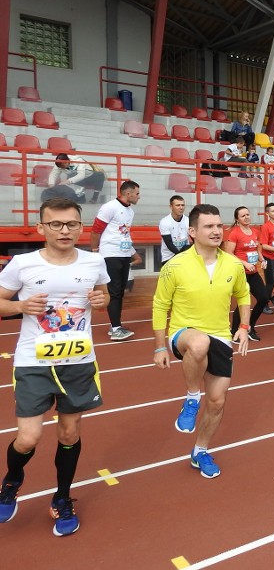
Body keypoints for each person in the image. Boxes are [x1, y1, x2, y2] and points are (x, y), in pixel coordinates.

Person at [0, 198, 109, 536]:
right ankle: (12, 481)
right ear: (41, 227)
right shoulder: (23, 263)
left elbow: (102, 295)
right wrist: (19, 305)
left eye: (71, 224)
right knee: (29, 437)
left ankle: (62, 498)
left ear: (80, 226)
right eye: (56, 224)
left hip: (78, 362)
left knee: (69, 433)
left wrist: (102, 300)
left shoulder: (94, 261)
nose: (65, 231)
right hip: (34, 362)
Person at [152, 204, 250, 478]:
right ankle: (192, 398)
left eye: (219, 225)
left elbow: (243, 295)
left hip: (220, 335)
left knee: (217, 402)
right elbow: (160, 306)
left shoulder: (233, 264)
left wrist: (243, 326)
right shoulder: (175, 266)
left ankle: (200, 451)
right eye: (209, 226)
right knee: (198, 344)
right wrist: (160, 346)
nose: (217, 231)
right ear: (192, 232)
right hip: (185, 333)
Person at [90, 180, 139, 341]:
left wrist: (133, 253)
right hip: (110, 254)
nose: (139, 197)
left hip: (124, 254)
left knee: (120, 291)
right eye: (137, 193)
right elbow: (96, 230)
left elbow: (125, 234)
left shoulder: (130, 211)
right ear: (128, 193)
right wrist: (95, 251)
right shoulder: (110, 207)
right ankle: (116, 328)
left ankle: (115, 325)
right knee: (114, 291)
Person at [222, 207, 267, 341]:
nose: (247, 217)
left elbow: (257, 249)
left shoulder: (255, 231)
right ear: (237, 219)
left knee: (264, 298)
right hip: (241, 273)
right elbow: (229, 253)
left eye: (248, 214)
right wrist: (244, 263)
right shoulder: (234, 233)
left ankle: (250, 326)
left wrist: (262, 259)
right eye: (243, 216)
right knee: (243, 302)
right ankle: (235, 330)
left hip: (253, 272)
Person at [159, 195, 190, 266]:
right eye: (178, 205)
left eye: (183, 205)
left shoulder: (188, 220)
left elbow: (194, 238)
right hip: (169, 257)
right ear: (171, 207)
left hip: (184, 255)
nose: (181, 208)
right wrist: (180, 256)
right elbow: (169, 244)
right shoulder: (165, 221)